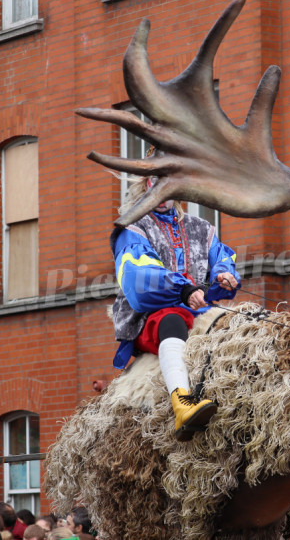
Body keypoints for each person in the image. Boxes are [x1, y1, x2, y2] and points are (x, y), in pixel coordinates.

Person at [110, 173, 240, 441]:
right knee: (172, 319)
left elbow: (223, 257)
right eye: (155, 182)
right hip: (149, 316)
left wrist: (224, 277)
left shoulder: (201, 228)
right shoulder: (132, 228)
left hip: (199, 312)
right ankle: (182, 404)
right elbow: (138, 278)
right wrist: (182, 289)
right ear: (146, 184)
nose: (161, 191)